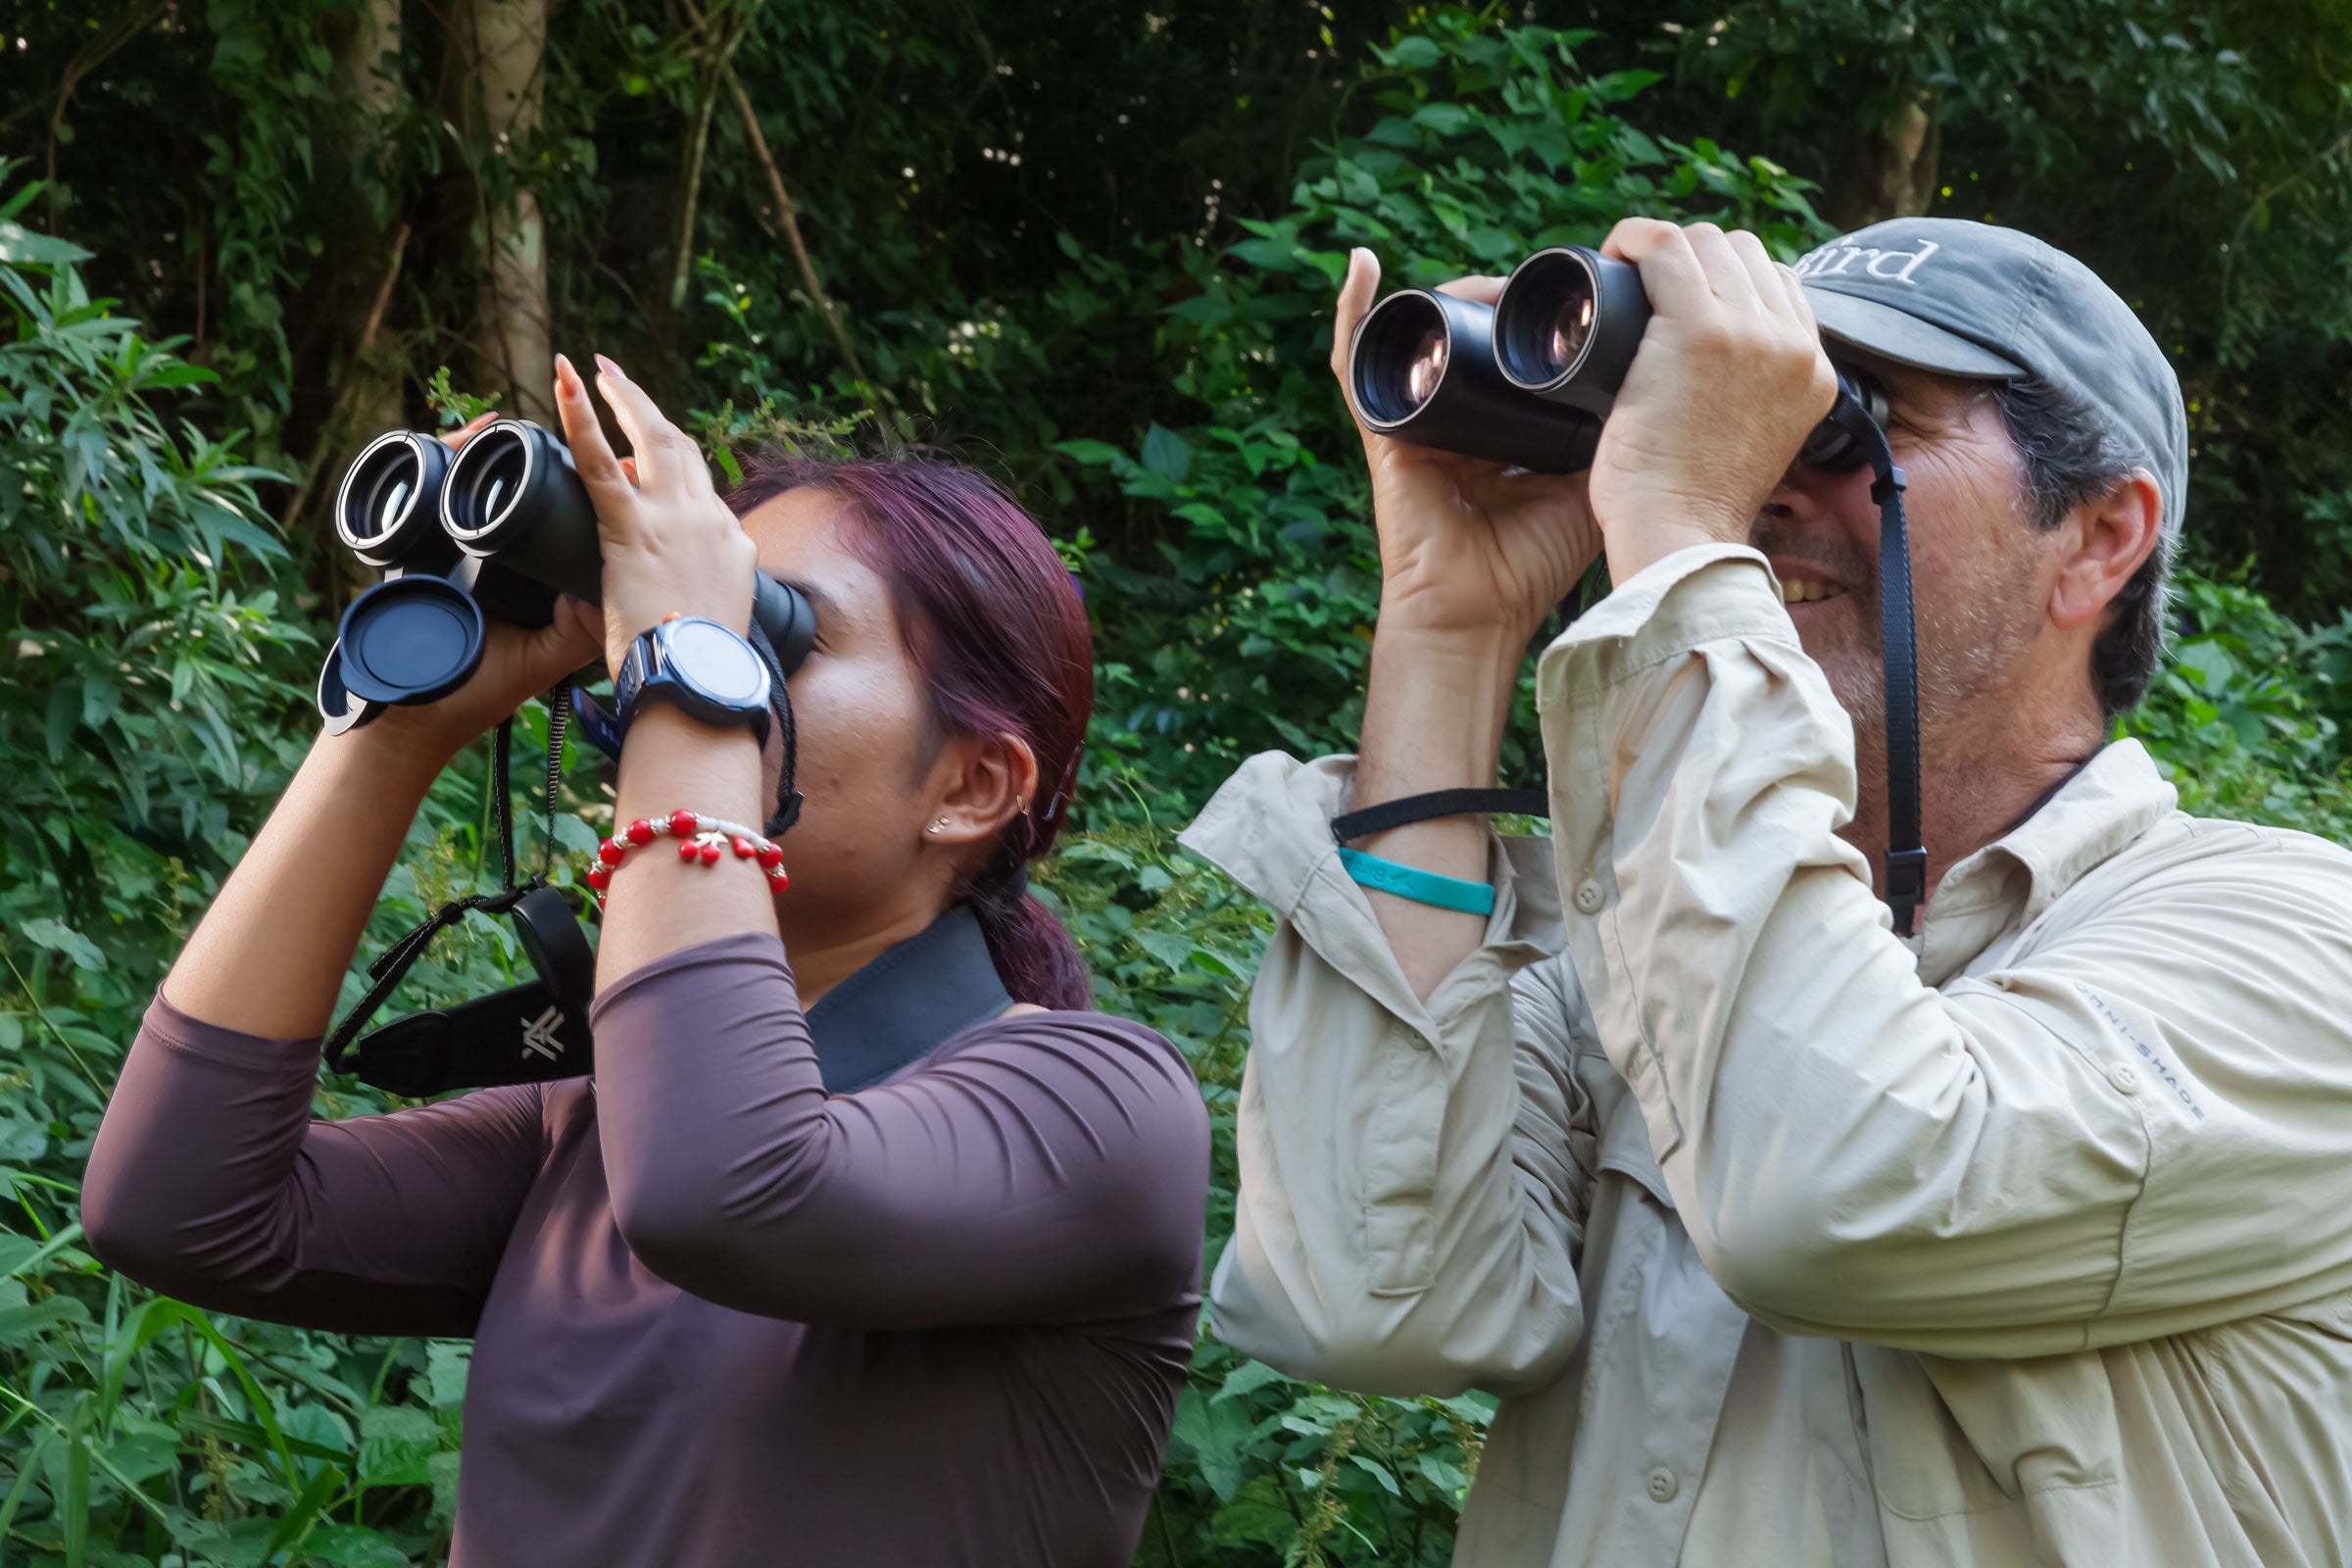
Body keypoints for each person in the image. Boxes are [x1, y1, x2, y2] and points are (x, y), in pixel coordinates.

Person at [1179, 215, 2352, 1565]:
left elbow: (1838, 1188)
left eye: (1849, 422)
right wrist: (1451, 626)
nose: (1768, 484)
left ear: (2098, 539)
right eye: (1751, 421)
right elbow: (1364, 1301)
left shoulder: (2291, 943)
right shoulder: (1650, 941)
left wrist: (1680, 527)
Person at [81, 354, 1209, 1568]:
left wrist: (688, 641)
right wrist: (399, 726)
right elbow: (178, 1204)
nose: (657, 667)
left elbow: (725, 1184)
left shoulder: (1104, 1108)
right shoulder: (584, 1138)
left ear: (972, 785)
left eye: (775, 632)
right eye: (676, 629)